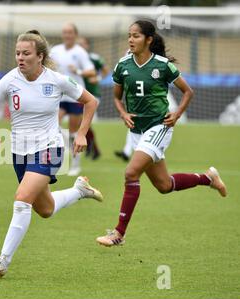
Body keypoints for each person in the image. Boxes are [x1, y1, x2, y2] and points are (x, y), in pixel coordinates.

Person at [0, 30, 103, 277]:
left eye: (26, 53)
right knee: (44, 209)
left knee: (22, 198)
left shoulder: (57, 80)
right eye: (17, 53)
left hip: (50, 148)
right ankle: (79, 190)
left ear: (40, 56)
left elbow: (91, 101)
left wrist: (80, 134)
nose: (20, 58)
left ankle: (2, 261)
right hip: (19, 153)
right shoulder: (9, 80)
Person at [96, 20, 227, 247]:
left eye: (136, 36)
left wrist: (176, 115)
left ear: (148, 39)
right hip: (137, 131)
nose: (130, 40)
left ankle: (118, 233)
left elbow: (188, 92)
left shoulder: (163, 65)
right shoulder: (123, 65)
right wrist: (123, 113)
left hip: (159, 127)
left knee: (131, 173)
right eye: (129, 35)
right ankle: (208, 178)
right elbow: (117, 97)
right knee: (164, 186)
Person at [50, 23, 96, 176]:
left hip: (76, 96)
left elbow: (91, 72)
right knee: (53, 126)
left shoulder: (80, 52)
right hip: (60, 95)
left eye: (70, 32)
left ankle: (75, 164)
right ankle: (58, 157)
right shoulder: (55, 51)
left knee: (73, 132)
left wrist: (78, 71)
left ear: (75, 35)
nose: (67, 35)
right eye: (65, 32)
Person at [77, 37, 110, 160]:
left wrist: (98, 78)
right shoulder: (75, 59)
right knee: (84, 122)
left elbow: (106, 70)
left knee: (85, 121)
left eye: (83, 44)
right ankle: (93, 149)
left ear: (87, 45)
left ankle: (93, 148)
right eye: (78, 44)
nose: (80, 47)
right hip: (79, 95)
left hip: (93, 94)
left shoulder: (94, 58)